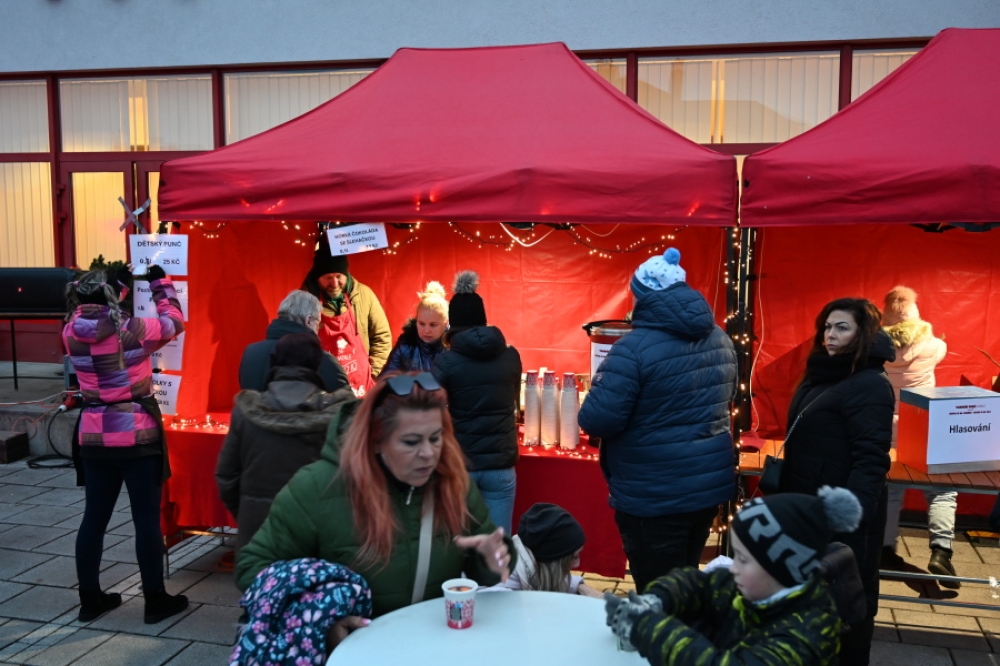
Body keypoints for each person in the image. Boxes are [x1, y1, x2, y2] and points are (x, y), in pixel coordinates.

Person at [235, 371, 515, 635]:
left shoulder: (453, 481)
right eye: (411, 442)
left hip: (429, 646)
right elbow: (254, 569)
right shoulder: (317, 487)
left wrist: (493, 558)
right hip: (348, 653)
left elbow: (489, 561)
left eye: (435, 438)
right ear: (376, 441)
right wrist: (320, 619)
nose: (429, 453)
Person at [578, 248, 738, 594]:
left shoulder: (632, 347)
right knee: (685, 583)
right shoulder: (721, 338)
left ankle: (666, 630)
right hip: (704, 487)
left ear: (642, 295)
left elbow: (596, 419)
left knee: (658, 594)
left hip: (653, 493)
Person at [605, 486, 862, 665]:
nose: (733, 567)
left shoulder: (807, 634)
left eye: (743, 559)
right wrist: (657, 599)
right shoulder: (750, 587)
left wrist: (649, 628)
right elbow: (699, 584)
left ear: (781, 569)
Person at [63, 264, 189, 624]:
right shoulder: (132, 329)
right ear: (116, 295)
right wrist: (159, 282)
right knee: (145, 519)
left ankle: (90, 599)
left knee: (94, 518)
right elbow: (174, 321)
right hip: (137, 436)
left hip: (94, 435)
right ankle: (155, 600)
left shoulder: (70, 330)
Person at [778, 297, 895, 665]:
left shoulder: (869, 383)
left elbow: (871, 458)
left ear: (863, 334)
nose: (830, 334)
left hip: (842, 519)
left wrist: (847, 518)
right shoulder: (825, 372)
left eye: (842, 328)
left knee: (848, 601)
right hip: (810, 508)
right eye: (827, 327)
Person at [216, 333, 356, 557]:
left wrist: (248, 513)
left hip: (258, 533)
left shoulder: (246, 413)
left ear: (274, 362)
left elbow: (226, 476)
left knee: (260, 579)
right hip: (318, 532)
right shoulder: (338, 415)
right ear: (317, 365)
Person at [878, 286, 957, 586]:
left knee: (891, 489)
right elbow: (941, 347)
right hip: (924, 426)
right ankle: (941, 551)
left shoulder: (875, 348)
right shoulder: (934, 346)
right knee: (941, 491)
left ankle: (886, 551)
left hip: (886, 428)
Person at [431, 271, 522, 534]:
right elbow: (514, 400)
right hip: (501, 464)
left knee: (462, 544)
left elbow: (430, 408)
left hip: (463, 464)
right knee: (499, 546)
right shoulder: (511, 356)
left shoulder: (446, 362)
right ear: (483, 319)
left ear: (452, 324)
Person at [301, 232, 391, 396]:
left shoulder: (363, 295)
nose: (334, 283)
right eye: (328, 277)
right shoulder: (304, 301)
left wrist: (373, 373)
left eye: (338, 276)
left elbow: (381, 337)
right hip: (324, 391)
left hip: (361, 387)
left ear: (346, 274)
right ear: (317, 277)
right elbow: (297, 347)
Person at [238, 289, 350, 393]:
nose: (318, 329)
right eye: (318, 323)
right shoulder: (320, 358)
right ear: (309, 320)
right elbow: (345, 402)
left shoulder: (250, 353)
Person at [488, 503, 601, 597]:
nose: (577, 564)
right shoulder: (498, 592)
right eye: (574, 556)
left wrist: (580, 587)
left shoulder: (527, 558)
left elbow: (547, 574)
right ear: (552, 560)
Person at [381, 280, 449, 374]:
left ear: (445, 324)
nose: (426, 330)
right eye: (421, 324)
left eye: (433, 325)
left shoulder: (455, 347)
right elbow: (386, 377)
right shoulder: (405, 344)